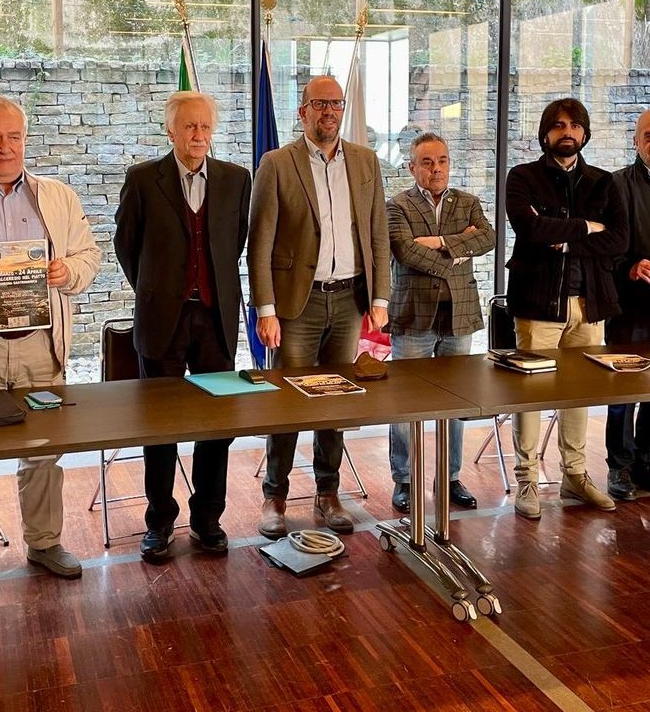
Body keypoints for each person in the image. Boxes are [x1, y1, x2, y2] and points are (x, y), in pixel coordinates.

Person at [0, 96, 101, 600]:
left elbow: (89, 255)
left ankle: (45, 542)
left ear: (25, 140)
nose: (5, 146)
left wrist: (67, 271)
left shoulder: (56, 196)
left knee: (44, 452)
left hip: (39, 347)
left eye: (13, 136)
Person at [248, 75, 390, 539]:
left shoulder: (366, 161)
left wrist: (380, 297)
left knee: (336, 400)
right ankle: (275, 495)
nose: (329, 111)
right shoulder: (276, 163)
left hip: (349, 301)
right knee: (288, 402)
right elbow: (260, 242)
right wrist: (265, 309)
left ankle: (328, 493)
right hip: (297, 305)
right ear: (303, 111)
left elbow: (377, 233)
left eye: (336, 103)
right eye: (319, 103)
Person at [115, 91, 250, 558]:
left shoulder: (236, 179)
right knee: (160, 426)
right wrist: (157, 290)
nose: (198, 135)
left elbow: (234, 243)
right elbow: (126, 245)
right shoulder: (142, 179)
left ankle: (208, 518)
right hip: (162, 321)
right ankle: (159, 522)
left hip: (214, 319)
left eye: (205, 126)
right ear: (170, 130)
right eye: (189, 126)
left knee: (217, 423)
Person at [505, 97, 628, 520]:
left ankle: (574, 474)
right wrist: (587, 227)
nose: (567, 132)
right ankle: (527, 479)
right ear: (545, 133)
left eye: (575, 126)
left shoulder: (603, 182)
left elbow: (619, 240)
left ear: (585, 133)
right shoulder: (522, 177)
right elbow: (530, 228)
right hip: (538, 305)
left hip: (590, 304)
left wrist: (566, 240)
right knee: (531, 394)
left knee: (580, 393)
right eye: (559, 125)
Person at [387, 133, 495, 513]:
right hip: (413, 314)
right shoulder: (397, 206)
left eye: (442, 160)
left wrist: (436, 242)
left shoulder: (468, 202)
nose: (436, 168)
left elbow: (488, 238)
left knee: (457, 401)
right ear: (412, 167)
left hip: (458, 315)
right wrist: (458, 248)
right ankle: (404, 480)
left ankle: (449, 477)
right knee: (405, 403)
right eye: (427, 162)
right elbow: (406, 251)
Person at [606, 109, 650, 501]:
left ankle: (646, 462)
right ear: (635, 141)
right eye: (648, 136)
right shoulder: (617, 185)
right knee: (623, 388)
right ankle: (618, 465)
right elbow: (604, 248)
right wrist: (631, 267)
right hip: (628, 303)